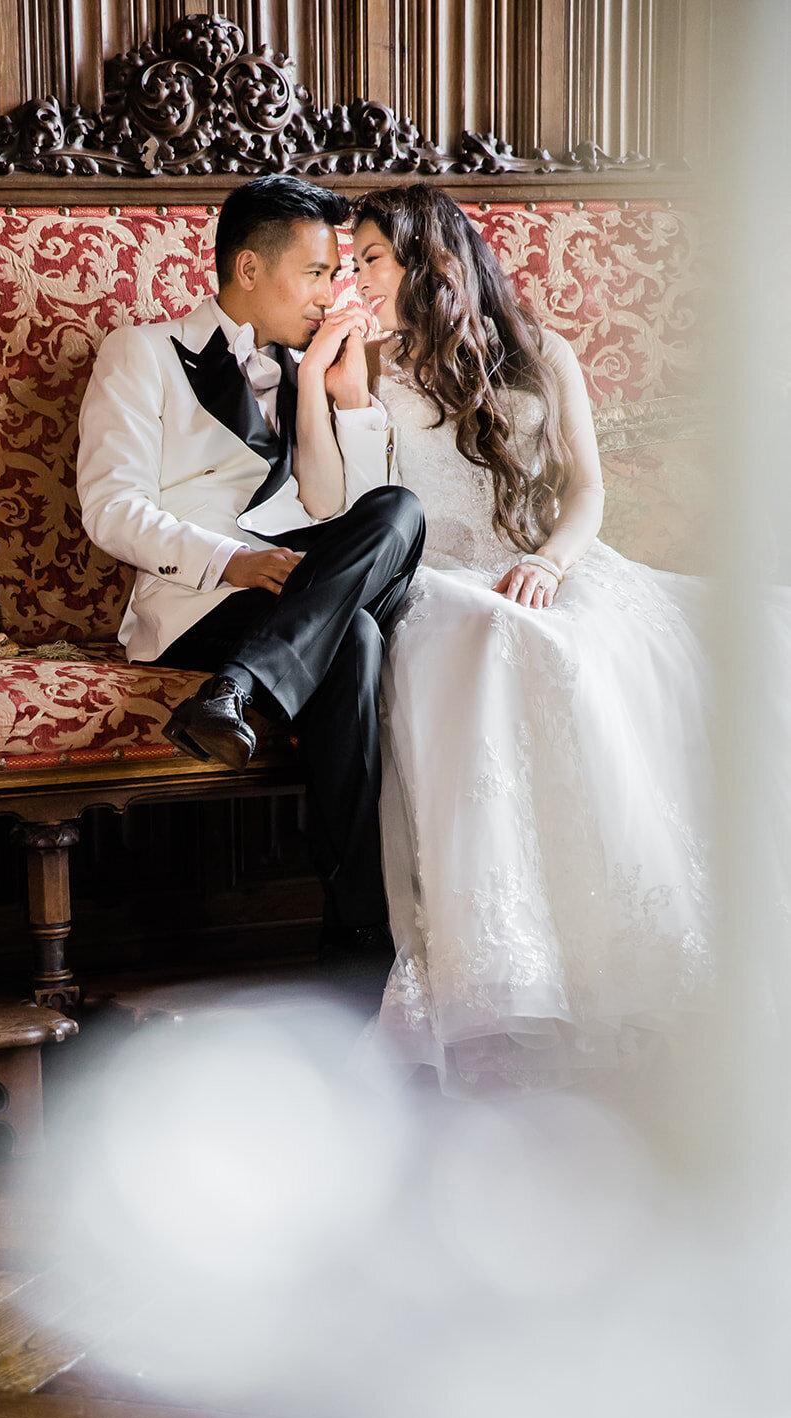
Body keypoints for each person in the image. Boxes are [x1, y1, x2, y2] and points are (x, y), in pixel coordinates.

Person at [303, 180, 752, 1091]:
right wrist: (324, 382)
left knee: (686, 638)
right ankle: (510, 976)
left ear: (431, 261)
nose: (356, 279)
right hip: (435, 580)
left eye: (371, 260)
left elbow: (586, 490)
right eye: (348, 264)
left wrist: (549, 562)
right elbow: (331, 511)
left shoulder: (542, 353)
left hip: (544, 562)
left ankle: (628, 957)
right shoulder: (368, 364)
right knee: (508, 639)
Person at [76, 175, 425, 970]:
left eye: (336, 274)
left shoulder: (306, 367)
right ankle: (357, 932)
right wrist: (233, 561)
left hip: (295, 599)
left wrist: (344, 397)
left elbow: (345, 510)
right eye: (316, 272)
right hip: (199, 605)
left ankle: (236, 691)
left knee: (398, 511)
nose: (331, 292)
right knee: (358, 636)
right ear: (247, 270)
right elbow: (109, 508)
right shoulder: (142, 352)